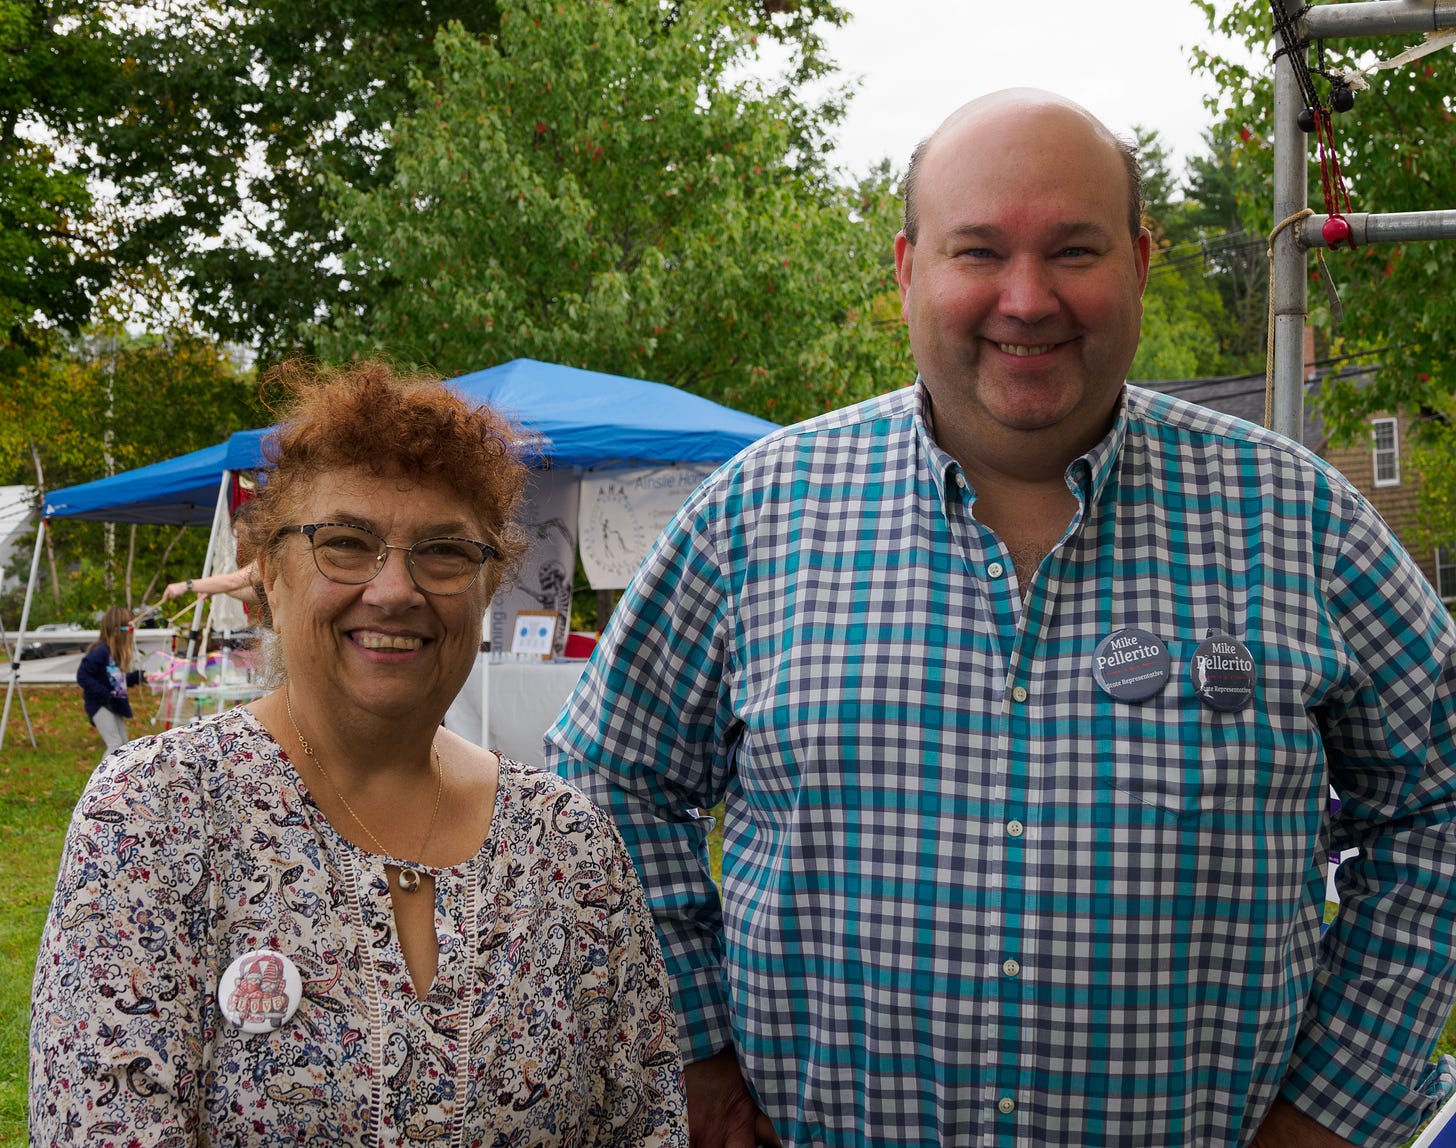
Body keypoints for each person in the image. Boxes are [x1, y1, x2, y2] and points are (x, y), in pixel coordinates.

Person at [547, 89, 1456, 1148]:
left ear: (1140, 263)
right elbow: (608, 783)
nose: (1026, 299)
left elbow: (1436, 803)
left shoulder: (1300, 523)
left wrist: (1332, 1111)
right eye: (978, 251)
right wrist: (694, 1055)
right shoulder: (755, 516)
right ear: (906, 270)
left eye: (1072, 249)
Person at [33, 361, 688, 1146]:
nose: (394, 590)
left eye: (444, 552)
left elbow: (646, 1122)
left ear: (488, 588)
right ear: (270, 576)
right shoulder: (156, 816)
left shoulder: (568, 846)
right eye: (346, 543)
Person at [75, 604, 144, 752]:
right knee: (115, 745)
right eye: (129, 628)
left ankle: (117, 775)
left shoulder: (114, 655)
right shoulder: (100, 652)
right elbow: (83, 675)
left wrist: (140, 676)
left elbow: (119, 681)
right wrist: (103, 693)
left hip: (113, 705)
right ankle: (101, 776)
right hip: (100, 705)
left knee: (124, 745)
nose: (131, 633)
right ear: (117, 630)